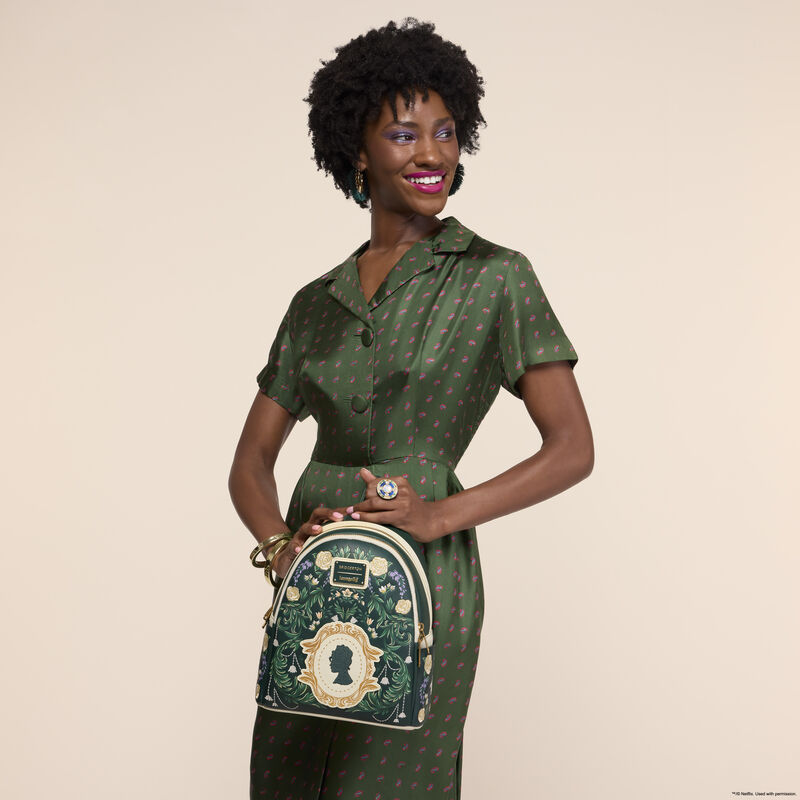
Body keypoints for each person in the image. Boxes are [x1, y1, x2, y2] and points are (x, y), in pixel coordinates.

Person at [228, 18, 594, 799]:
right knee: (288, 774)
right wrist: (279, 549)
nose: (431, 154)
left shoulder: (496, 277)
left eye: (447, 132)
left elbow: (572, 448)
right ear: (358, 151)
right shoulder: (313, 302)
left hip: (424, 571)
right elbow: (250, 463)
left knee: (390, 778)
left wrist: (438, 515)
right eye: (403, 134)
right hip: (314, 569)